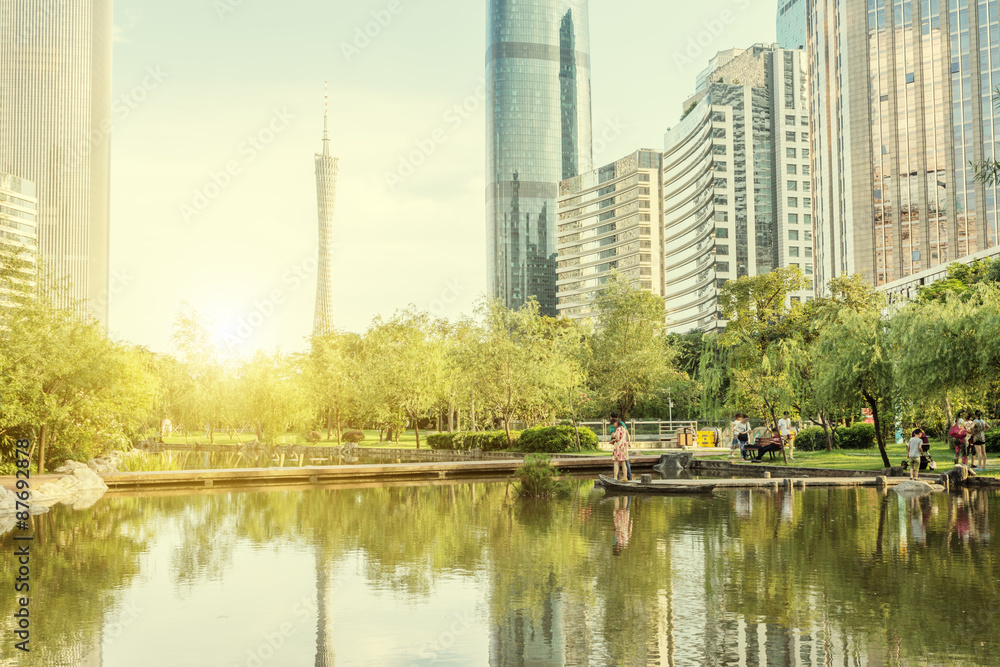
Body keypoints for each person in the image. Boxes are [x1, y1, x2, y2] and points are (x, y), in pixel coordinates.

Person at [610, 417, 630, 481]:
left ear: (616, 423)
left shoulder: (618, 429)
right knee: (623, 462)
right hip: (624, 446)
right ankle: (625, 477)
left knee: (616, 462)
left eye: (613, 424)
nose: (613, 426)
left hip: (618, 447)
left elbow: (618, 438)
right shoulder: (623, 428)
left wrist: (613, 440)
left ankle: (615, 477)